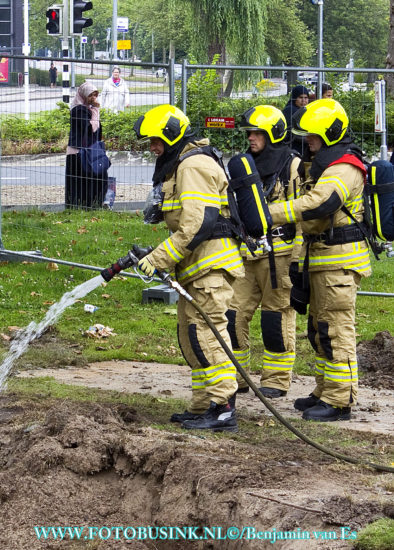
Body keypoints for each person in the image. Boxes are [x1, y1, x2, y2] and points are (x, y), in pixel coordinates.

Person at [133, 105, 244, 432]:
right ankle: (202, 405)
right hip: (197, 266)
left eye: (155, 140)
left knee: (208, 335)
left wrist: (157, 259)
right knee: (191, 336)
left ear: (170, 136)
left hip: (210, 265)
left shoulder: (193, 165)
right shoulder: (182, 164)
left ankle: (223, 407)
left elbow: (198, 224)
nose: (153, 147)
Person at [268, 99, 370, 422]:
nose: (308, 141)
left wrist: (267, 213)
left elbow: (318, 204)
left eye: (313, 135)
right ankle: (325, 390)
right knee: (319, 330)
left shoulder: (345, 167)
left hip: (339, 263)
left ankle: (340, 401)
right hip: (321, 260)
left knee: (336, 330)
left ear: (330, 133)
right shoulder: (326, 164)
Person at [227, 105, 304, 399]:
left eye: (257, 133)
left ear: (273, 134)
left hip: (280, 258)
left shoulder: (292, 166)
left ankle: (276, 379)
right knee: (233, 314)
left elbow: (301, 215)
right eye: (249, 133)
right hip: (247, 256)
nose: (251, 138)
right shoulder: (245, 166)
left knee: (275, 319)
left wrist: (297, 258)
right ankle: (237, 376)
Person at [65, 82, 107, 208]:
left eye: (95, 95)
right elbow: (90, 129)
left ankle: (92, 204)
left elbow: (97, 131)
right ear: (83, 95)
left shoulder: (87, 109)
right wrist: (96, 110)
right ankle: (79, 205)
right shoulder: (79, 110)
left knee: (95, 178)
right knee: (80, 181)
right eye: (90, 95)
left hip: (89, 151)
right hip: (78, 152)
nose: (93, 98)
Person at [283, 85, 310, 156]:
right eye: (300, 97)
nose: (303, 100)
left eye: (306, 98)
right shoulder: (290, 110)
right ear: (294, 98)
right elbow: (293, 134)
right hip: (293, 148)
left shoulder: (305, 110)